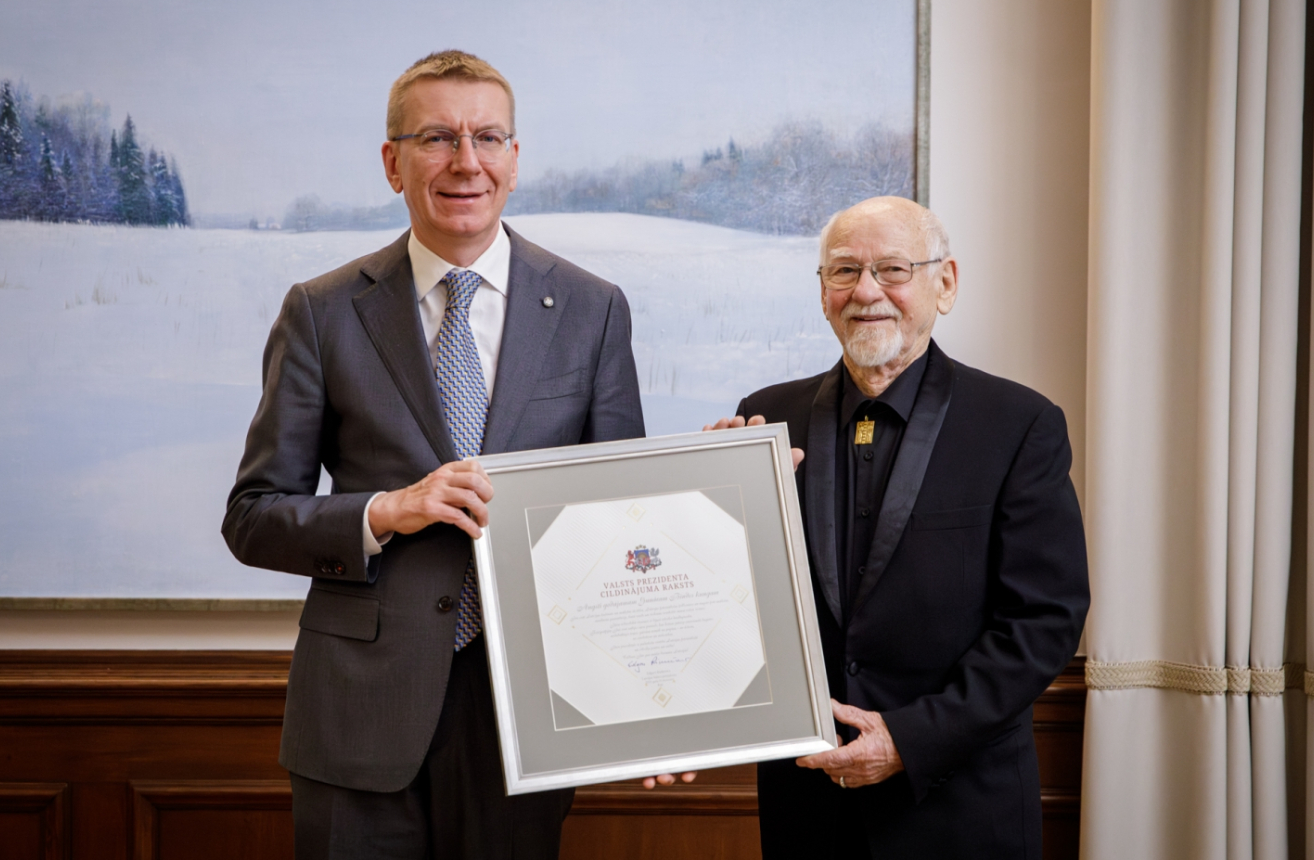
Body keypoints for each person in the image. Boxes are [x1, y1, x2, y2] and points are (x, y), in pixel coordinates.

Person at [221, 50, 644, 860]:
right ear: (393, 162)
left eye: (488, 138)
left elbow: (615, 522)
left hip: (532, 715)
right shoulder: (320, 312)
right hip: (356, 719)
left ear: (515, 161)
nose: (465, 161)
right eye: (436, 138)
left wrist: (649, 704)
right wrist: (385, 512)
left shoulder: (593, 310)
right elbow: (253, 518)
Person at [711, 196, 1088, 858]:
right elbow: (731, 601)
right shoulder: (762, 420)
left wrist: (910, 741)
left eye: (892, 269)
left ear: (944, 284)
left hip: (960, 808)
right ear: (822, 291)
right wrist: (707, 504)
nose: (866, 292)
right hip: (809, 810)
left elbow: (1045, 621)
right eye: (844, 271)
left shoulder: (1018, 424)